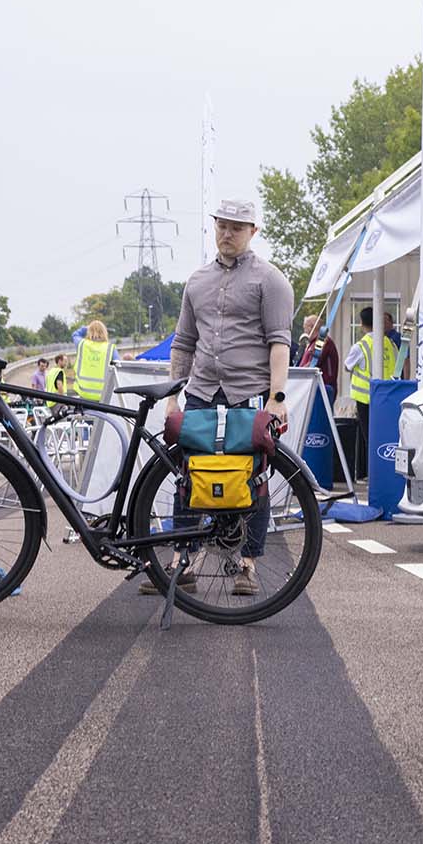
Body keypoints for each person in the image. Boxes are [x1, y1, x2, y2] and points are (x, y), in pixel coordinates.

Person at [168, 198, 295, 597]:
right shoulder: (197, 281)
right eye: (222, 226)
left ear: (253, 231)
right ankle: (182, 561)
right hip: (202, 391)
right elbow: (183, 344)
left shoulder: (271, 280)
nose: (227, 234)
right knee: (187, 474)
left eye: (237, 228)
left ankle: (248, 565)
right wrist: (174, 397)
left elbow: (280, 342)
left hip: (248, 393)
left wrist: (277, 396)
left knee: (253, 478)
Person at [342, 306, 398, 481]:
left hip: (366, 399)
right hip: (387, 398)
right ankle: (385, 472)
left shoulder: (361, 345)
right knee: (385, 437)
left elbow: (347, 366)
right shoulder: (389, 343)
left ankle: (372, 475)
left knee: (369, 438)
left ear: (361, 323)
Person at [74, 320, 115, 401]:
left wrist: (86, 328)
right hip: (103, 395)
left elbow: (75, 334)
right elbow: (119, 368)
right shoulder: (110, 348)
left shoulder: (82, 344)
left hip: (83, 393)